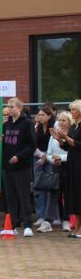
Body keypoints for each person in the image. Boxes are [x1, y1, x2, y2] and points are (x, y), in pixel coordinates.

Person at [0, 98, 36, 237]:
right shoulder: (6, 125)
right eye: (8, 106)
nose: (9, 109)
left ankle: (27, 225)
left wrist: (19, 156)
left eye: (12, 106)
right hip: (7, 167)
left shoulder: (27, 123)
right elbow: (1, 145)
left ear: (19, 108)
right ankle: (12, 224)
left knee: (23, 196)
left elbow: (32, 145)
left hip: (21, 167)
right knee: (10, 196)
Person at [50, 100, 81, 238]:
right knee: (74, 195)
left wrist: (66, 137)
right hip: (72, 164)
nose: (72, 112)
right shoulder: (74, 126)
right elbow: (69, 147)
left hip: (79, 164)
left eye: (74, 110)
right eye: (71, 110)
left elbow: (78, 144)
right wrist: (59, 139)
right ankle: (77, 227)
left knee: (79, 195)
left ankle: (80, 229)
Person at [33, 106, 57, 228]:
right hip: (38, 157)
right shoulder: (36, 127)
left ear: (49, 116)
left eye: (43, 115)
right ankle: (40, 216)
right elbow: (32, 144)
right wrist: (41, 155)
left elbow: (54, 144)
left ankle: (51, 216)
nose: (40, 117)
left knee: (50, 186)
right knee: (38, 187)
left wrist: (46, 156)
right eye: (39, 115)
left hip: (50, 158)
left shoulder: (54, 127)